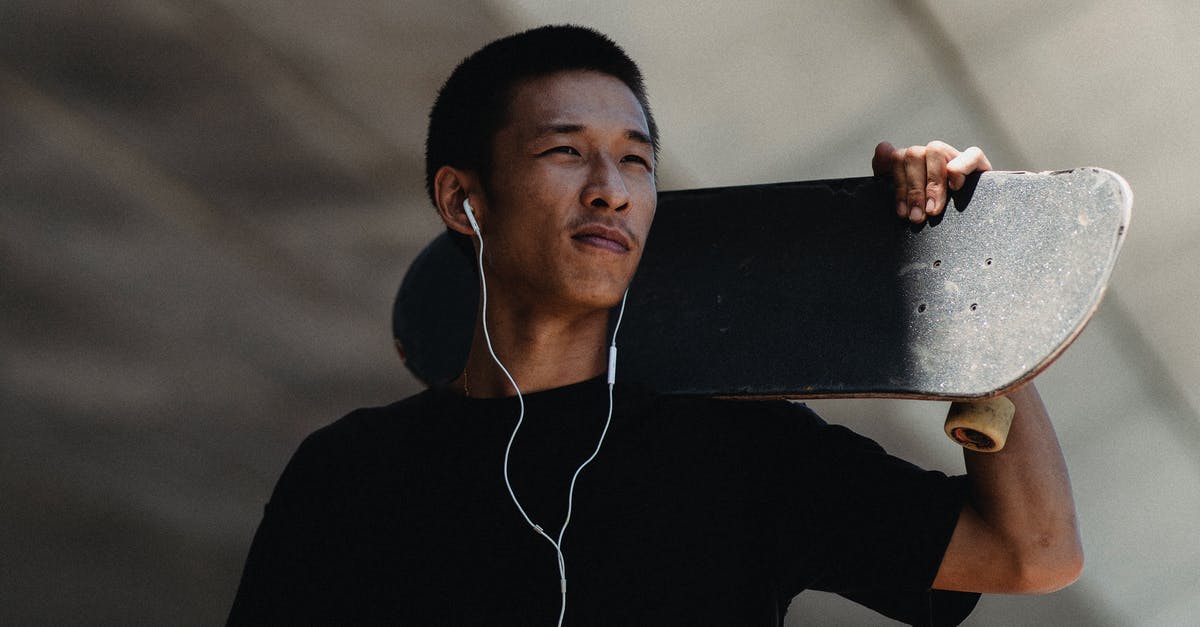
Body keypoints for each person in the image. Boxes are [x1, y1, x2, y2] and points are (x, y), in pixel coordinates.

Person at [228, 25, 1082, 626]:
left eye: (636, 159)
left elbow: (1032, 552)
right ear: (464, 199)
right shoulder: (351, 475)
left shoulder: (743, 451)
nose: (611, 186)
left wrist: (972, 291)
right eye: (565, 150)